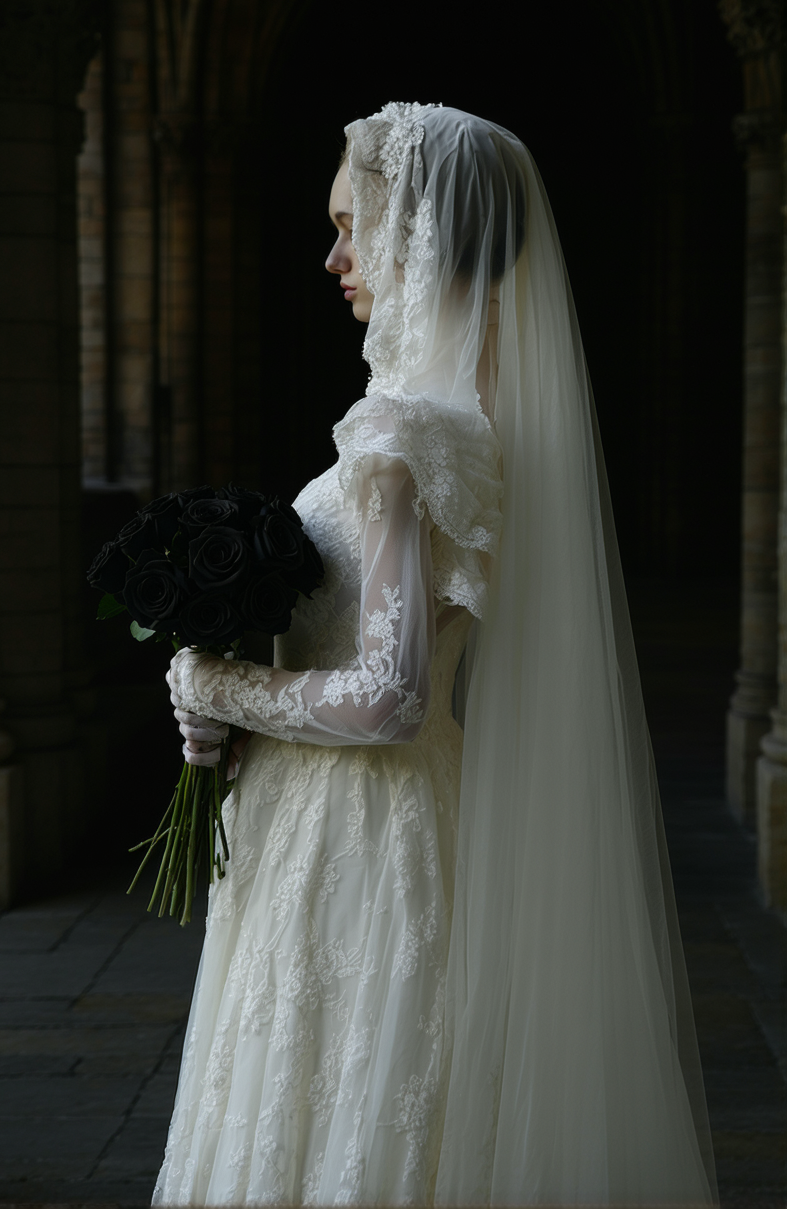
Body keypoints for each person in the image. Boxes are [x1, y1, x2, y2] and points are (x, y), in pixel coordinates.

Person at [153, 103, 718, 1206]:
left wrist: (212, 679)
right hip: (404, 819)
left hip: (354, 833)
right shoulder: (485, 422)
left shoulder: (401, 433)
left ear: (414, 230)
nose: (334, 257)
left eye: (350, 225)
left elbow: (389, 697)